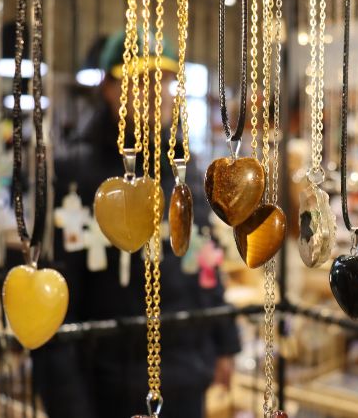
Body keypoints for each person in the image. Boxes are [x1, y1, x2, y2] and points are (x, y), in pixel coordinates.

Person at [32, 30, 240, 418]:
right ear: (109, 88)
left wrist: (224, 342)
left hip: (186, 374)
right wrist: (68, 404)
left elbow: (205, 259)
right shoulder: (76, 172)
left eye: (167, 81)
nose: (159, 93)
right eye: (143, 81)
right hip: (110, 382)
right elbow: (57, 300)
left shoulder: (183, 167)